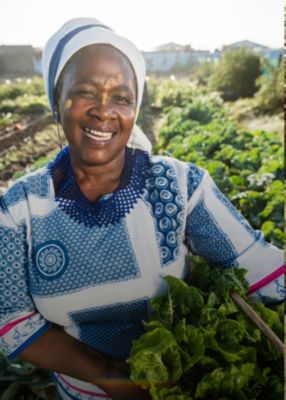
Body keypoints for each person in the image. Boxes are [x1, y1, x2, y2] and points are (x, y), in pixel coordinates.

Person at [0, 17, 284, 400]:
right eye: (86, 91)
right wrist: (110, 375)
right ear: (56, 101)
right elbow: (11, 318)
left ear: (135, 108)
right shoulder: (19, 209)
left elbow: (259, 267)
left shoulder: (180, 185)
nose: (105, 111)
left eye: (121, 97)